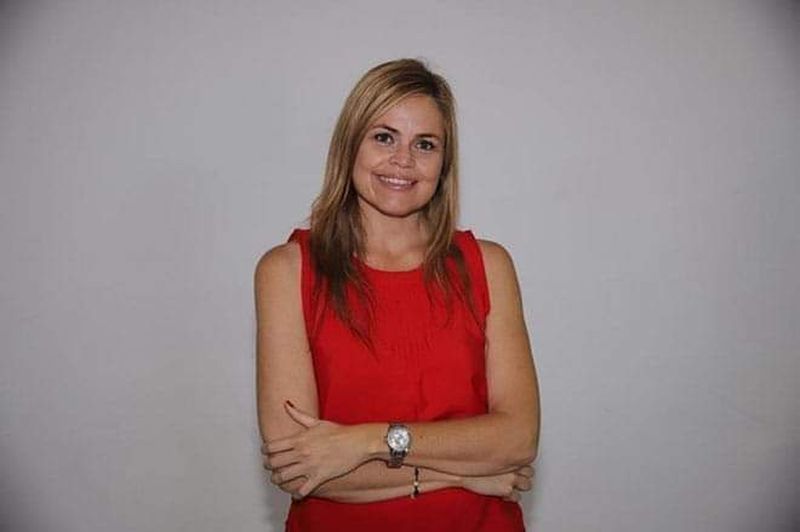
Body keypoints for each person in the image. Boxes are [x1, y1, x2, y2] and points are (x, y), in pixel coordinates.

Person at [254, 58, 540, 531]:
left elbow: (517, 439)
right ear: (350, 145)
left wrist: (365, 442)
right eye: (384, 137)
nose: (403, 160)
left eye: (425, 144)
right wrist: (466, 474)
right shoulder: (287, 272)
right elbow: (301, 467)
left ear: (444, 163)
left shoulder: (488, 266)